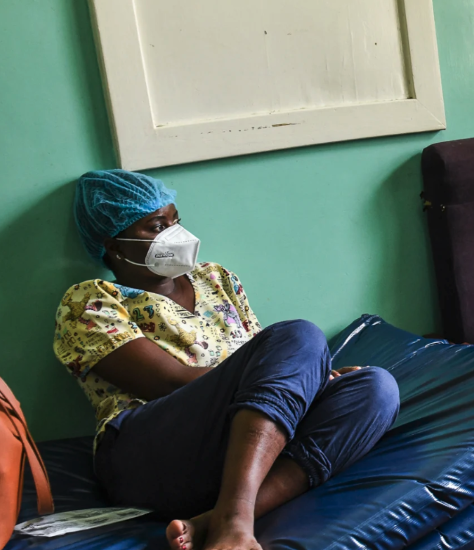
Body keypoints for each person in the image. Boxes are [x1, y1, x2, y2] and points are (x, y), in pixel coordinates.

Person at [54, 170, 401, 550]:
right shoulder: (92, 301)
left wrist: (315, 381)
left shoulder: (216, 279)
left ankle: (217, 518)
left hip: (237, 449)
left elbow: (268, 374)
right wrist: (307, 378)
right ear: (114, 245)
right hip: (150, 457)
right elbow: (169, 384)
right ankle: (235, 520)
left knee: (376, 388)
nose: (175, 235)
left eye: (175, 221)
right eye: (156, 226)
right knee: (299, 336)